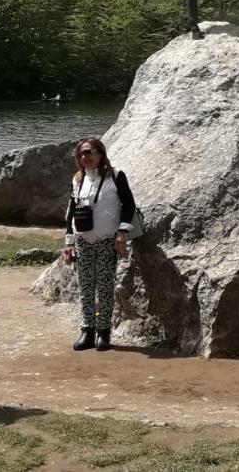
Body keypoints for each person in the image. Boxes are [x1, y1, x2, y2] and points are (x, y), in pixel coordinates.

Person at [62, 138, 136, 351]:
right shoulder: (78, 179)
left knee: (104, 286)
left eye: (88, 153)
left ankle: (104, 332)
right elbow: (71, 213)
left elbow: (129, 204)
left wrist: (122, 232)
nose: (84, 158)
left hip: (106, 241)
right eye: (81, 155)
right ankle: (87, 330)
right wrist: (69, 243)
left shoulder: (115, 176)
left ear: (100, 154)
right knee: (85, 287)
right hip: (83, 241)